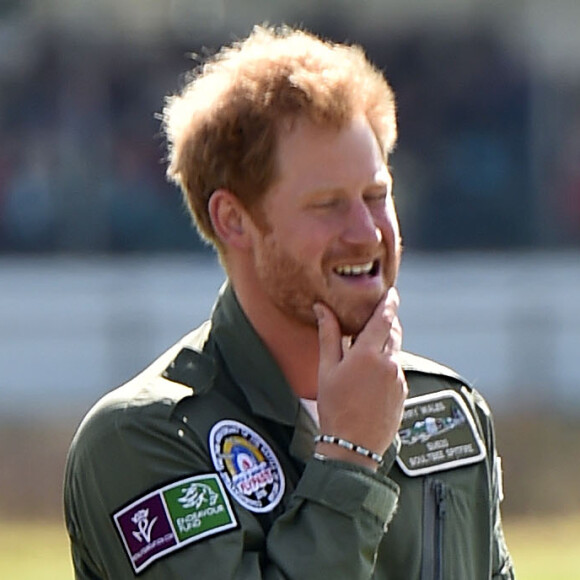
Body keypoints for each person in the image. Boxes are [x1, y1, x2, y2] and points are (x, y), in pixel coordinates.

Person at [64, 25, 515, 579]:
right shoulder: (143, 438)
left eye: (377, 196)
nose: (367, 233)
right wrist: (349, 457)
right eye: (327, 206)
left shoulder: (448, 411)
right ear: (234, 220)